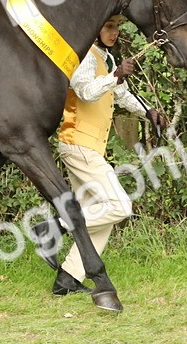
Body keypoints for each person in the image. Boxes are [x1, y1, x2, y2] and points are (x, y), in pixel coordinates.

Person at [49, 15, 165, 296]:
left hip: (90, 145)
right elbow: (86, 92)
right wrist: (115, 76)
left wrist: (148, 111)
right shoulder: (85, 57)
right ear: (94, 28)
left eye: (117, 28)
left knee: (103, 214)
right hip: (78, 143)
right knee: (120, 206)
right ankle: (53, 227)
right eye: (109, 27)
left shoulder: (105, 57)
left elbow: (122, 94)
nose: (114, 33)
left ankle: (67, 278)